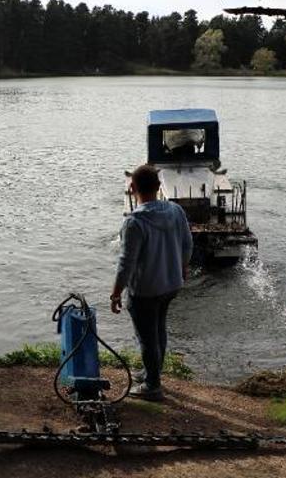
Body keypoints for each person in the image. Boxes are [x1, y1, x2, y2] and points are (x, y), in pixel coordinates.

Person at [110, 164, 193, 402]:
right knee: (158, 329)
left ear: (132, 187)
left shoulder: (134, 222)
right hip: (171, 285)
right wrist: (182, 268)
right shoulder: (176, 211)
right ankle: (151, 372)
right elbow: (188, 245)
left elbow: (126, 263)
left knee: (146, 336)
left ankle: (153, 385)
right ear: (159, 187)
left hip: (145, 290)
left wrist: (116, 293)